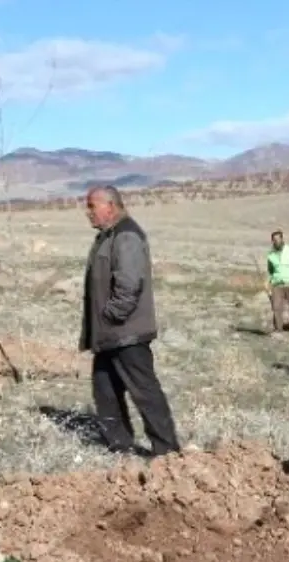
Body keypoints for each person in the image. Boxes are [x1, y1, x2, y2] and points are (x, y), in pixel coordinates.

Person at [80, 185, 181, 457]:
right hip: (109, 334)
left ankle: (167, 452)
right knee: (105, 391)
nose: (87, 212)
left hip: (126, 333)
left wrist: (111, 315)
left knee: (144, 392)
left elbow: (129, 284)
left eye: (92, 206)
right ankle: (120, 445)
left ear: (110, 206)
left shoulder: (126, 236)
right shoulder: (108, 235)